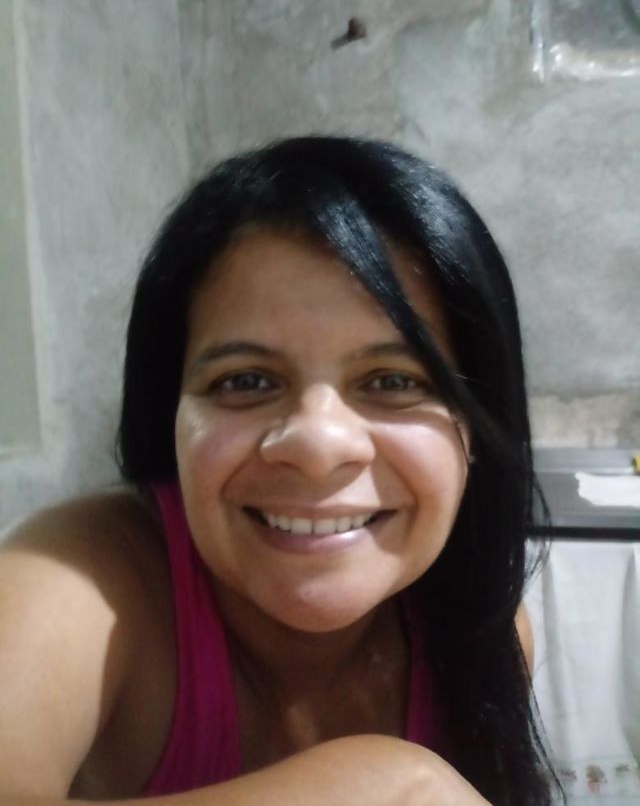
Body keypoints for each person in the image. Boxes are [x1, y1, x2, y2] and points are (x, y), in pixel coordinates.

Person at [0, 136, 559, 805]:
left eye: (392, 380)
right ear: (170, 412)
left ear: (476, 425)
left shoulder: (483, 638)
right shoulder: (79, 576)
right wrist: (382, 786)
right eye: (245, 380)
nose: (317, 446)